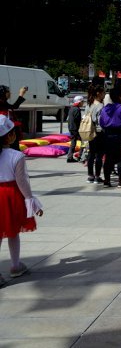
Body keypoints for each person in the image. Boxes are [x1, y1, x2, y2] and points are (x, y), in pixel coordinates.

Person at [0, 115, 43, 286]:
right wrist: (31, 201)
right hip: (10, 196)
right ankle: (15, 266)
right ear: (9, 136)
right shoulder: (16, 156)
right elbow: (22, 182)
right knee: (12, 231)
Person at [99, 88, 121, 188]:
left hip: (107, 135)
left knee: (108, 158)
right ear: (118, 97)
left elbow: (102, 123)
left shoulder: (105, 109)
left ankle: (107, 180)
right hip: (120, 134)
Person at [85, 85, 106, 183]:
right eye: (103, 92)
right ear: (98, 93)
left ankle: (90, 176)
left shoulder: (89, 104)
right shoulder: (100, 106)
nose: (104, 94)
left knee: (91, 153)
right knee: (99, 155)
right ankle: (97, 176)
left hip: (89, 131)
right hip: (98, 132)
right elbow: (100, 121)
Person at [0, 85, 27, 150]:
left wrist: (21, 94)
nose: (10, 93)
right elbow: (14, 106)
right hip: (5, 131)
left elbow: (14, 106)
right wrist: (21, 94)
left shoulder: (3, 102)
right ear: (3, 93)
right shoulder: (1, 103)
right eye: (8, 92)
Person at [66, 95, 85, 163]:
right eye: (82, 102)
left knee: (73, 142)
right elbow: (77, 120)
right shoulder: (77, 109)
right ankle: (80, 156)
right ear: (79, 102)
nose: (83, 103)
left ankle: (70, 157)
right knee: (84, 141)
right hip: (76, 129)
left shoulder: (72, 108)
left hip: (71, 127)